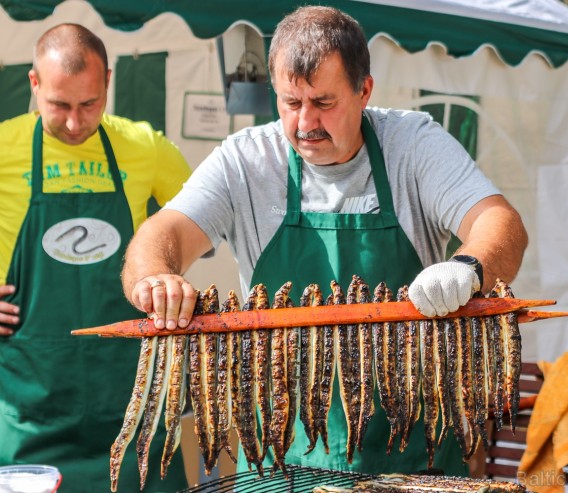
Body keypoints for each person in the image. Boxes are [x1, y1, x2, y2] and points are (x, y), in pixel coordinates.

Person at [121, 5, 528, 478]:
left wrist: (468, 266)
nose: (304, 123)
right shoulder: (245, 160)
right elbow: (162, 232)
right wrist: (154, 277)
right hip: (281, 457)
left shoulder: (414, 144)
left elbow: (501, 223)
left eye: (324, 102)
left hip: (416, 453)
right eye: (291, 103)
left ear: (364, 90)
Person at [0, 24, 191, 492]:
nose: (73, 122)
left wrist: (166, 272)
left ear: (108, 80)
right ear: (34, 84)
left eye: (89, 104)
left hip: (130, 398)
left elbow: (210, 214)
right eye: (59, 105)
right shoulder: (4, 147)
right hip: (30, 403)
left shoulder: (143, 145)